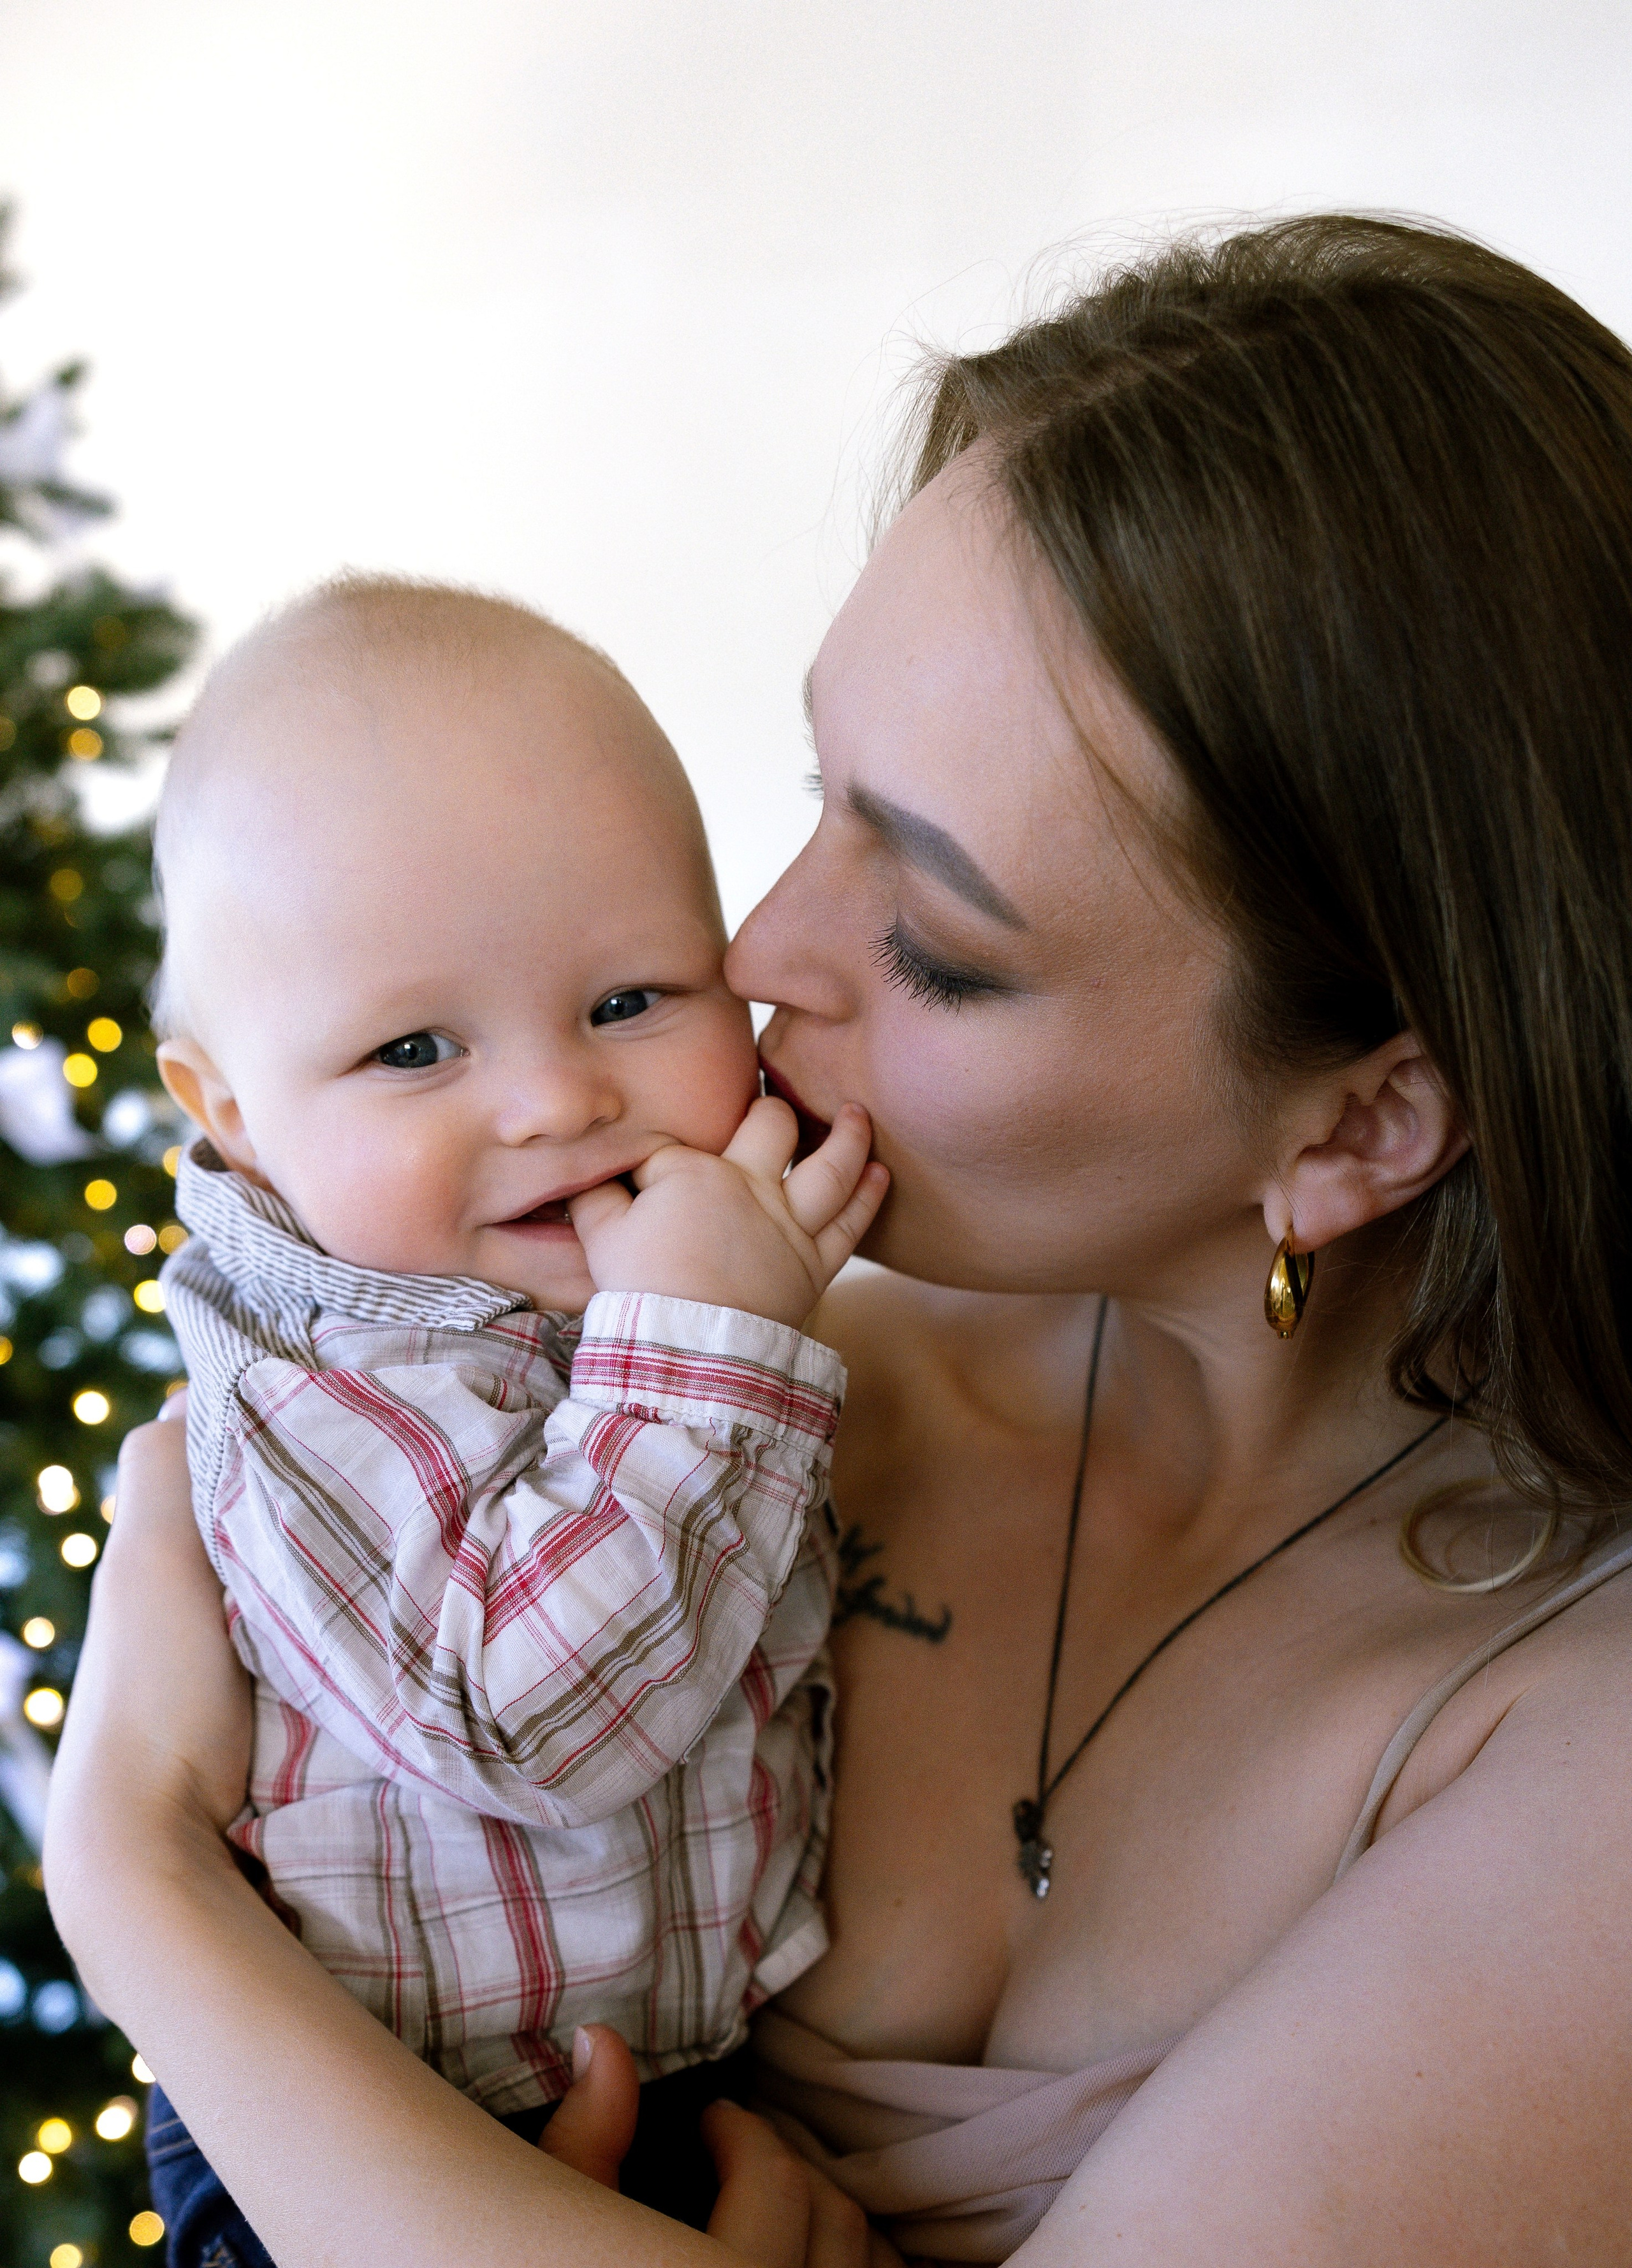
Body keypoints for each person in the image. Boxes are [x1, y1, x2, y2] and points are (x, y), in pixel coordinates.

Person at [45, 214, 1632, 2265]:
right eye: (819, 794)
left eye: (942, 948)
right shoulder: (736, 1371)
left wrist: (133, 1891)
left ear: (1368, 1120)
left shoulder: (1567, 1740)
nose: (757, 954)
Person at [131, 578, 888, 2260]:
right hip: (349, 2141)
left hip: (659, 2077)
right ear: (232, 1112)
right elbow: (533, 1722)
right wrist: (707, 1348)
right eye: (414, 1047)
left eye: (632, 999)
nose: (556, 1099)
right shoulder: (309, 1398)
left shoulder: (654, 1289)